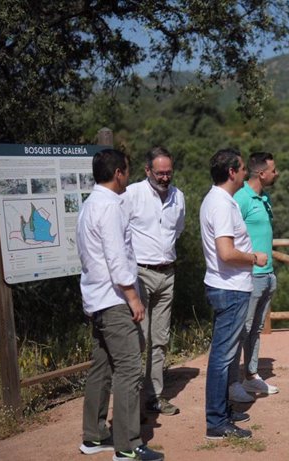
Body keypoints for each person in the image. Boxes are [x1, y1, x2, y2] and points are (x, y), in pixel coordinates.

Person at [77, 149, 164, 461]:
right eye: (127, 170)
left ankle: (94, 435)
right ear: (118, 173)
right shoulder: (111, 207)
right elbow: (116, 257)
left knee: (100, 368)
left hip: (96, 298)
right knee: (128, 369)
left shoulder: (89, 205)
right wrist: (133, 297)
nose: (129, 176)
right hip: (115, 300)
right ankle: (128, 446)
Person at [200, 148, 268, 439]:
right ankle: (217, 422)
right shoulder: (222, 205)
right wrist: (254, 258)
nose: (245, 173)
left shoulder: (217, 200)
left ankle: (224, 412)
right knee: (222, 356)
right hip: (230, 289)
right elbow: (226, 253)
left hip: (226, 287)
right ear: (231, 172)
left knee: (225, 356)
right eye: (242, 169)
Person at [122, 147, 185, 416]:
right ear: (147, 170)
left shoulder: (178, 197)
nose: (164, 177)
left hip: (167, 273)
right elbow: (120, 232)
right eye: (159, 173)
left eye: (168, 172)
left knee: (160, 339)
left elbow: (177, 230)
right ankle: (133, 402)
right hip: (140, 273)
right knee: (139, 338)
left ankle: (155, 396)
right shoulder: (132, 194)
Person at [228, 152, 280, 403]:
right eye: (273, 169)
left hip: (267, 275)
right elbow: (230, 236)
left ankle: (250, 375)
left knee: (255, 329)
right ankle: (232, 382)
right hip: (250, 276)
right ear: (262, 173)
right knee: (242, 329)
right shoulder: (241, 198)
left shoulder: (264, 198)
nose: (276, 173)